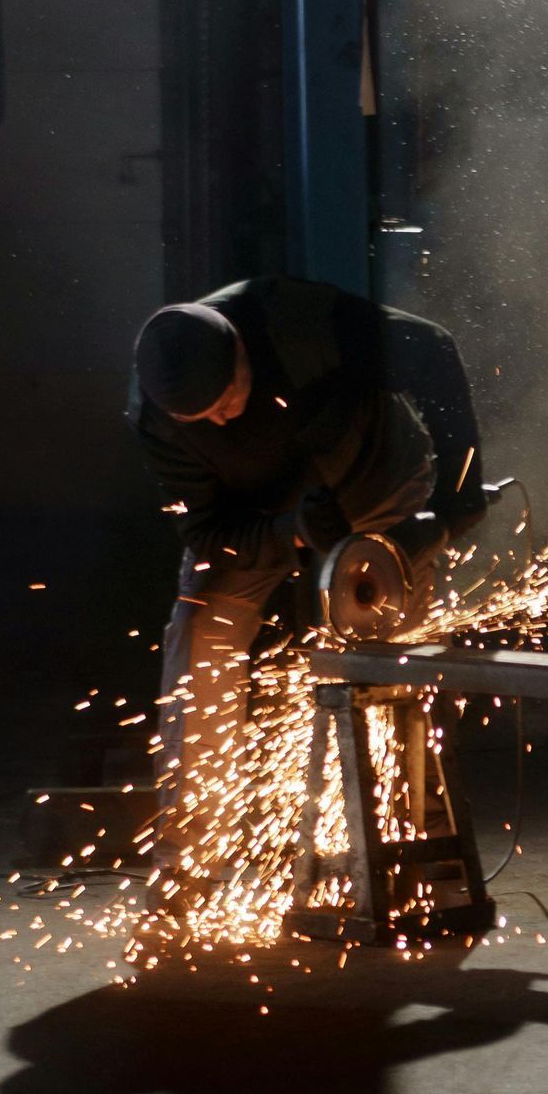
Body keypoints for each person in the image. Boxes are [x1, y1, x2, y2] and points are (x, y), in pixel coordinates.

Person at [130, 274, 440, 858]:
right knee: (199, 642)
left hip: (376, 481)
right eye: (202, 419)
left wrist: (459, 497)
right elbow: (206, 533)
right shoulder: (159, 416)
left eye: (226, 400)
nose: (221, 421)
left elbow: (435, 347)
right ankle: (190, 863)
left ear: (241, 351)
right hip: (262, 517)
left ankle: (406, 850)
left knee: (387, 659)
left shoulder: (294, 321)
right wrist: (288, 532)